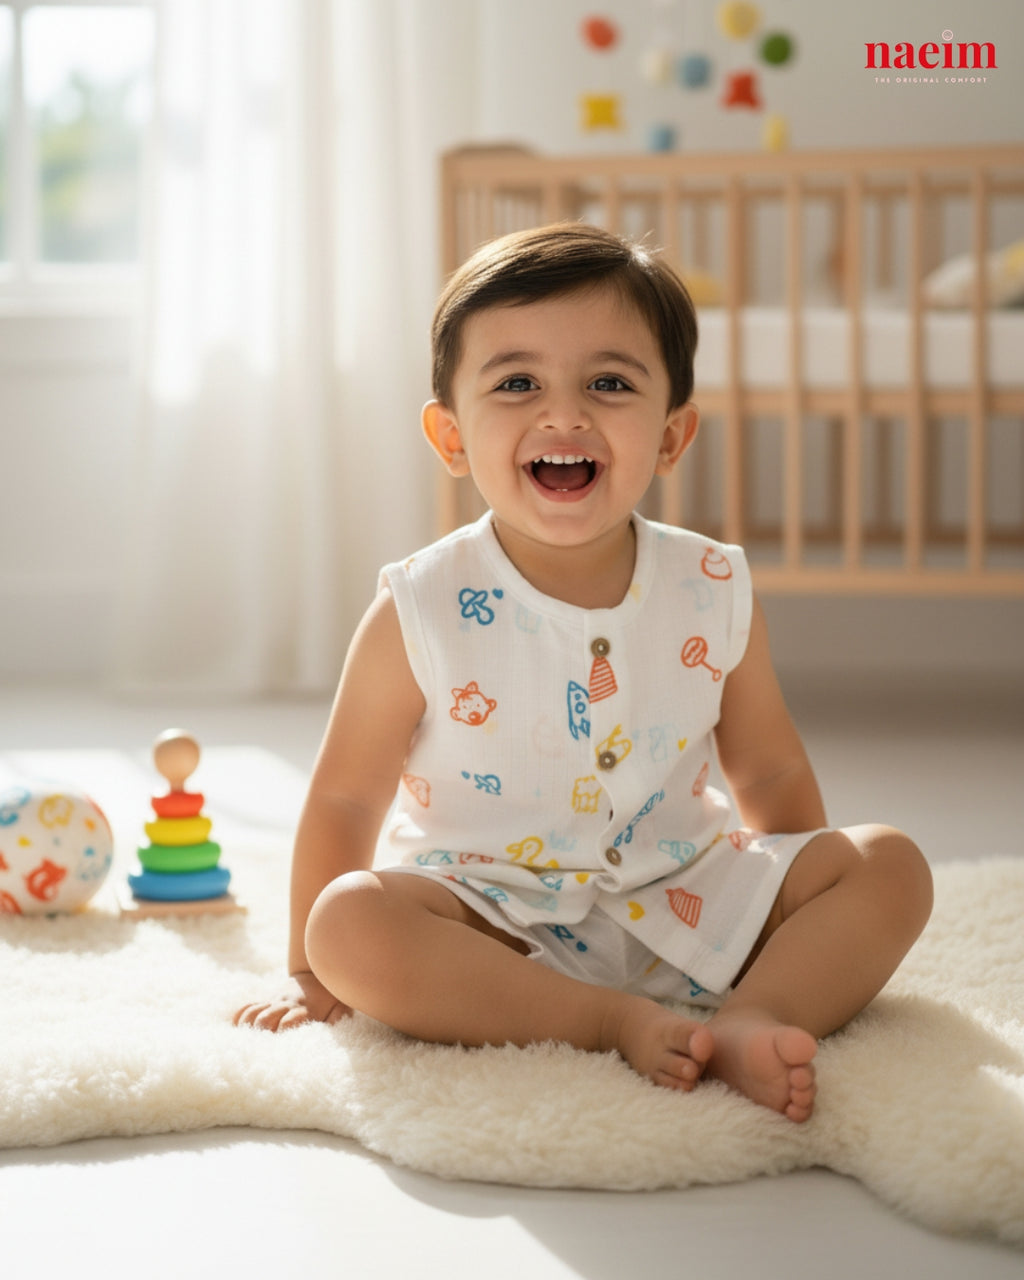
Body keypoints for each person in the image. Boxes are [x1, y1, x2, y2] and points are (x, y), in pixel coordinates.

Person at [235, 224, 933, 1123]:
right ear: (449, 435)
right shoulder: (422, 605)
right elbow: (343, 801)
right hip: (491, 920)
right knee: (348, 923)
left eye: (609, 383)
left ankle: (758, 1016)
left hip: (682, 889)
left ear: (673, 434)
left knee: (890, 864)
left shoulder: (711, 586)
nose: (563, 416)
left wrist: (790, 915)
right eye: (517, 383)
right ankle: (605, 1022)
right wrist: (305, 967)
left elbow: (768, 771)